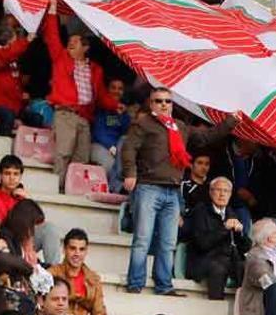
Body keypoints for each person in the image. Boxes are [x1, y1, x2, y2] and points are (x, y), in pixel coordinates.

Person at [121, 86, 236, 295]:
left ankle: (164, 286)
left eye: (168, 101)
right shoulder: (143, 123)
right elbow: (128, 148)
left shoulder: (180, 126)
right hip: (148, 187)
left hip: (173, 191)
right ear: (151, 104)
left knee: (168, 242)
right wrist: (130, 173)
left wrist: (231, 122)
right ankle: (135, 283)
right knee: (143, 239)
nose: (164, 104)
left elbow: (206, 137)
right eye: (159, 101)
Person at [42, 0, 123, 189]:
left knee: (81, 157)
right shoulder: (61, 58)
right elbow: (52, 36)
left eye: (75, 41)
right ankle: (57, 191)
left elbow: (102, 95)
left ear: (85, 47)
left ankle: (73, 191)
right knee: (63, 153)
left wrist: (114, 104)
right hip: (65, 114)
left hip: (85, 118)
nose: (70, 43)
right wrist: (52, 9)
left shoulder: (95, 69)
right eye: (69, 40)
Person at [0, 155, 61, 263]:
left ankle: (53, 271)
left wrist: (28, 200)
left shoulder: (21, 196)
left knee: (49, 228)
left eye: (16, 174)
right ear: (0, 175)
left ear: (20, 176)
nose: (12, 178)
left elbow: (38, 222)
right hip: (2, 241)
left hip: (24, 241)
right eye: (7, 173)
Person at [186, 177, 249, 300]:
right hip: (203, 260)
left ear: (230, 194)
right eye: (218, 190)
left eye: (226, 191)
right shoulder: (200, 211)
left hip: (229, 259)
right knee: (219, 267)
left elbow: (245, 247)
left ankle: (245, 307)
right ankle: (216, 303)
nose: (222, 194)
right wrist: (224, 229)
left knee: (247, 267)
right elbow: (202, 244)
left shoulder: (232, 213)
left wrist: (240, 233)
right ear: (210, 192)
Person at [48, 228, 110, 315]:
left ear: (86, 251)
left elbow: (99, 313)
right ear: (64, 249)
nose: (77, 254)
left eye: (81, 249)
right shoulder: (52, 274)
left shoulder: (93, 279)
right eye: (72, 248)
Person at [89, 78, 130, 192]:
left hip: (117, 148)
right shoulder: (101, 107)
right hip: (99, 145)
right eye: (113, 88)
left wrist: (122, 115)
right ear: (107, 90)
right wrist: (112, 147)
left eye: (120, 89)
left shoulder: (123, 110)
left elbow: (126, 131)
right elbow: (99, 132)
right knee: (111, 166)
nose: (116, 91)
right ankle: (112, 190)